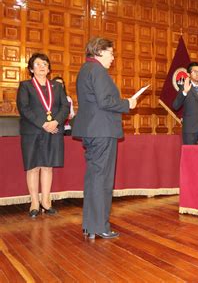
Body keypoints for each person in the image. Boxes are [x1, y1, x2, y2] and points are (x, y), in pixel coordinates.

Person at [72, 37, 137, 239]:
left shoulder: (85, 70)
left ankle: (91, 225)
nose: (113, 57)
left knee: (94, 178)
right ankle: (99, 225)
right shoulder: (98, 71)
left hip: (93, 130)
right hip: (102, 131)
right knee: (102, 179)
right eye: (110, 53)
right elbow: (105, 101)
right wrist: (128, 104)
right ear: (99, 52)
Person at [16, 53, 69, 217]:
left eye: (45, 64)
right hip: (32, 131)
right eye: (38, 64)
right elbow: (24, 108)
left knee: (47, 166)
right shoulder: (25, 86)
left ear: (49, 68)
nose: (42, 66)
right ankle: (34, 203)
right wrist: (44, 124)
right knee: (33, 167)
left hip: (53, 131)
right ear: (31, 69)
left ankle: (46, 202)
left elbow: (64, 107)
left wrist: (55, 122)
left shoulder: (57, 87)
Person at [172, 62, 198, 145]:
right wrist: (185, 92)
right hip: (190, 130)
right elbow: (175, 106)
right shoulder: (184, 87)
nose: (197, 74)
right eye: (194, 71)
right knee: (190, 156)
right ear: (189, 74)